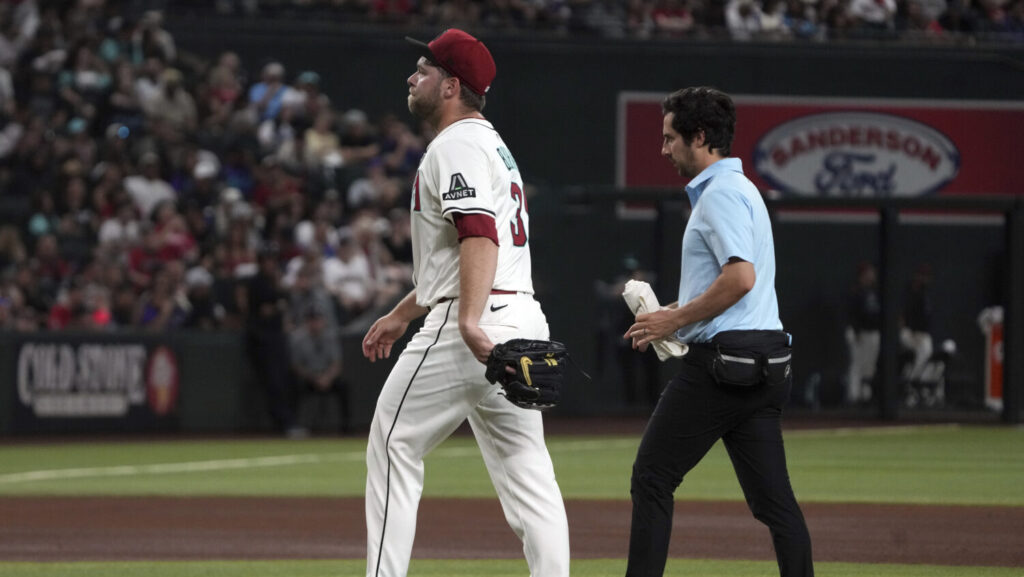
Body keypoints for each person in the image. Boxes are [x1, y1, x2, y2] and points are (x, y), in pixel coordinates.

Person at [361, 29, 569, 577]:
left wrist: (470, 322)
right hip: (520, 312)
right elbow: (462, 252)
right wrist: (402, 313)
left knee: (392, 445)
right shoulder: (492, 145)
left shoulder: (454, 144)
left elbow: (478, 235)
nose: (412, 76)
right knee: (529, 472)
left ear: (451, 86)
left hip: (472, 321)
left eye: (424, 69)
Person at [623, 86, 813, 577]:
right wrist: (672, 311)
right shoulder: (744, 189)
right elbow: (734, 287)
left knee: (652, 477)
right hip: (768, 362)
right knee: (775, 505)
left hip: (725, 366)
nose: (663, 149)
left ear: (700, 137)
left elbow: (740, 278)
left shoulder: (720, 194)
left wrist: (674, 320)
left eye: (670, 139)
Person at [289, 306, 350, 434]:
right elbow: (296, 366)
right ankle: (295, 426)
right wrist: (314, 378)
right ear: (306, 322)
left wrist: (326, 378)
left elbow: (337, 363)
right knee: (293, 387)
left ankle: (346, 428)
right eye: (311, 320)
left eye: (317, 320)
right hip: (309, 378)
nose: (315, 324)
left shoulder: (330, 336)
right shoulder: (298, 339)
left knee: (344, 386)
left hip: (328, 377)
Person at [845, 261, 880, 405]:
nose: (872, 275)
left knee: (869, 366)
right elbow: (850, 313)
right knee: (857, 364)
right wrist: (855, 330)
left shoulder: (873, 292)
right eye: (869, 273)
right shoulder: (856, 291)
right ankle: (853, 396)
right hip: (858, 332)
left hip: (872, 332)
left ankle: (865, 396)